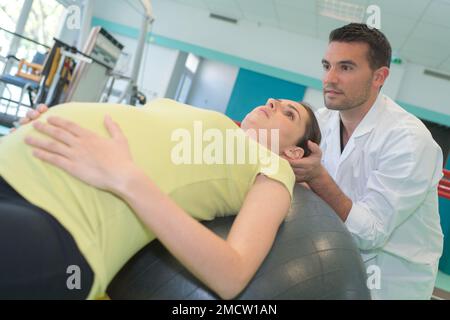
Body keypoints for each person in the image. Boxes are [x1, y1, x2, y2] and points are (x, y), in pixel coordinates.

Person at [0, 97, 321, 299]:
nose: (272, 103)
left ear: (294, 150)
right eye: (276, 101)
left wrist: (125, 176)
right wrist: (43, 124)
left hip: (66, 220)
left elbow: (232, 275)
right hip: (15, 166)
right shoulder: (220, 127)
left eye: (289, 114)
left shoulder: (275, 169)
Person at [289, 23, 444, 299]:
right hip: (334, 262)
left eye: (346, 68)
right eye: (327, 66)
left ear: (378, 77)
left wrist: (316, 176)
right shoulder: (322, 121)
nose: (329, 78)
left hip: (391, 283)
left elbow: (370, 233)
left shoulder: (409, 140)